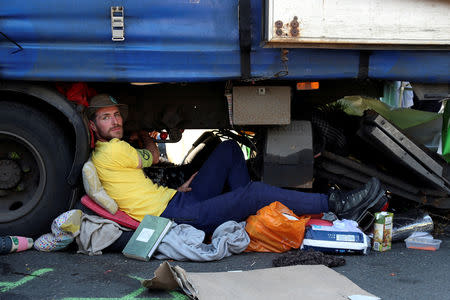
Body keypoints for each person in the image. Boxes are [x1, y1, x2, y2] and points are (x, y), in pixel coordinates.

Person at [87, 94, 387, 234]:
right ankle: (337, 202)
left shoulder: (110, 153)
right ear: (92, 124)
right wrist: (146, 138)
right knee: (253, 192)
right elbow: (152, 156)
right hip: (175, 216)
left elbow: (134, 187)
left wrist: (177, 189)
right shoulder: (114, 150)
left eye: (116, 115)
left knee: (229, 149)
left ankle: (246, 213)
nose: (115, 121)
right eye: (106, 117)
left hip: (175, 200)